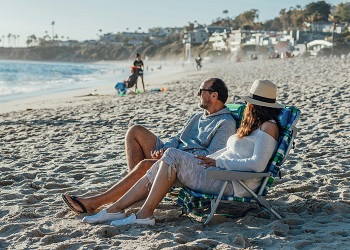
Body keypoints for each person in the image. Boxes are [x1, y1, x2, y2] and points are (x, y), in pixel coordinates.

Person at [80, 79, 284, 226]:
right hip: (219, 173)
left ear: (256, 105)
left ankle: (143, 213)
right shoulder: (254, 128)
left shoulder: (269, 127)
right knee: (166, 158)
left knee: (172, 156)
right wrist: (210, 159)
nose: (246, 105)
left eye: (249, 102)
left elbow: (257, 165)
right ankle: (115, 210)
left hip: (232, 182)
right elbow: (227, 151)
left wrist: (218, 164)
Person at [62, 78, 236, 214]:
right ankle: (137, 189)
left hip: (186, 164)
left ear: (214, 95)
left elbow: (211, 156)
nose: (198, 94)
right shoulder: (198, 116)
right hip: (174, 154)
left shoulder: (225, 122)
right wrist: (166, 148)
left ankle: (94, 203)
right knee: (135, 131)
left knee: (146, 165)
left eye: (201, 91)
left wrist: (174, 154)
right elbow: (177, 137)